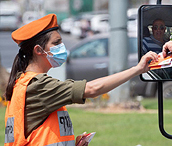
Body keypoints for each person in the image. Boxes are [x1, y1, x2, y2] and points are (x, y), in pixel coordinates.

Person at [4, 14, 158, 146]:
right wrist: (137, 69)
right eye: (56, 43)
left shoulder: (24, 83)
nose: (62, 47)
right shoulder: (38, 86)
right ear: (38, 50)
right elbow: (92, 89)